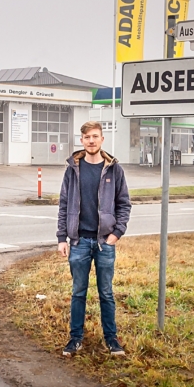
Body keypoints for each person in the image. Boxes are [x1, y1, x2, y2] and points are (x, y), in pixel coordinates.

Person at [57, 121, 132, 358]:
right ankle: (75, 339)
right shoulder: (72, 169)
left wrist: (115, 234)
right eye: (87, 137)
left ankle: (112, 340)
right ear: (82, 140)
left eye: (95, 136)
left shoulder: (114, 169)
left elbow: (124, 204)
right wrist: (62, 238)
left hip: (103, 243)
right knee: (78, 292)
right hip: (78, 242)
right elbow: (63, 205)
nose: (91, 141)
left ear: (101, 140)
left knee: (106, 293)